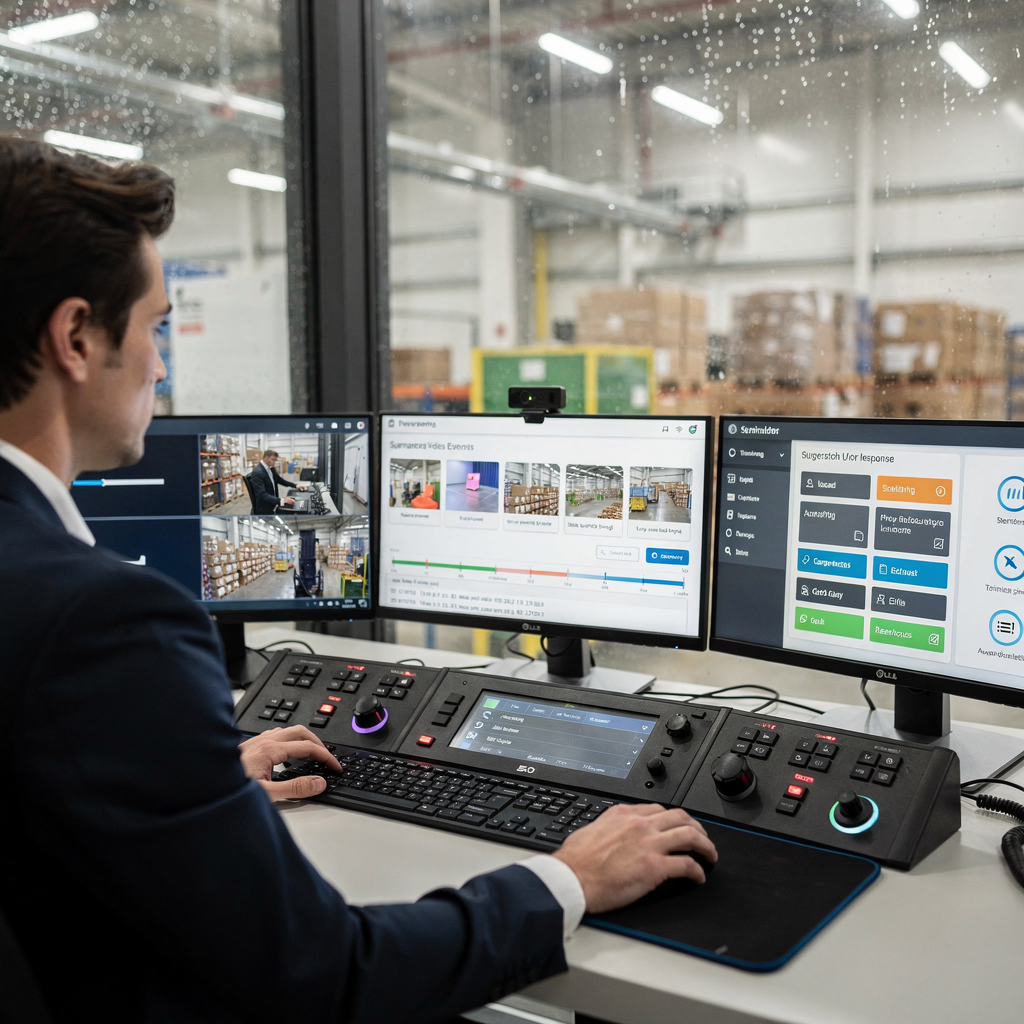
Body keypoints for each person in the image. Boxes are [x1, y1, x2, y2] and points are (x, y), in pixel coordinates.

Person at [0, 136, 717, 1023]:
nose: (159, 364)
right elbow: (322, 974)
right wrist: (563, 881)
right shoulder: (104, 619)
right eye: (153, 326)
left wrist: (194, 786)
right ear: (75, 337)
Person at [250, 448, 307, 514]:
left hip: (272, 503)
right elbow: (262, 495)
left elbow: (280, 480)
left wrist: (296, 485)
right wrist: (282, 500)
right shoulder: (258, 473)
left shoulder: (270, 469)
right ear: (265, 458)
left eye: (275, 460)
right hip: (264, 508)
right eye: (272, 460)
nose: (274, 462)